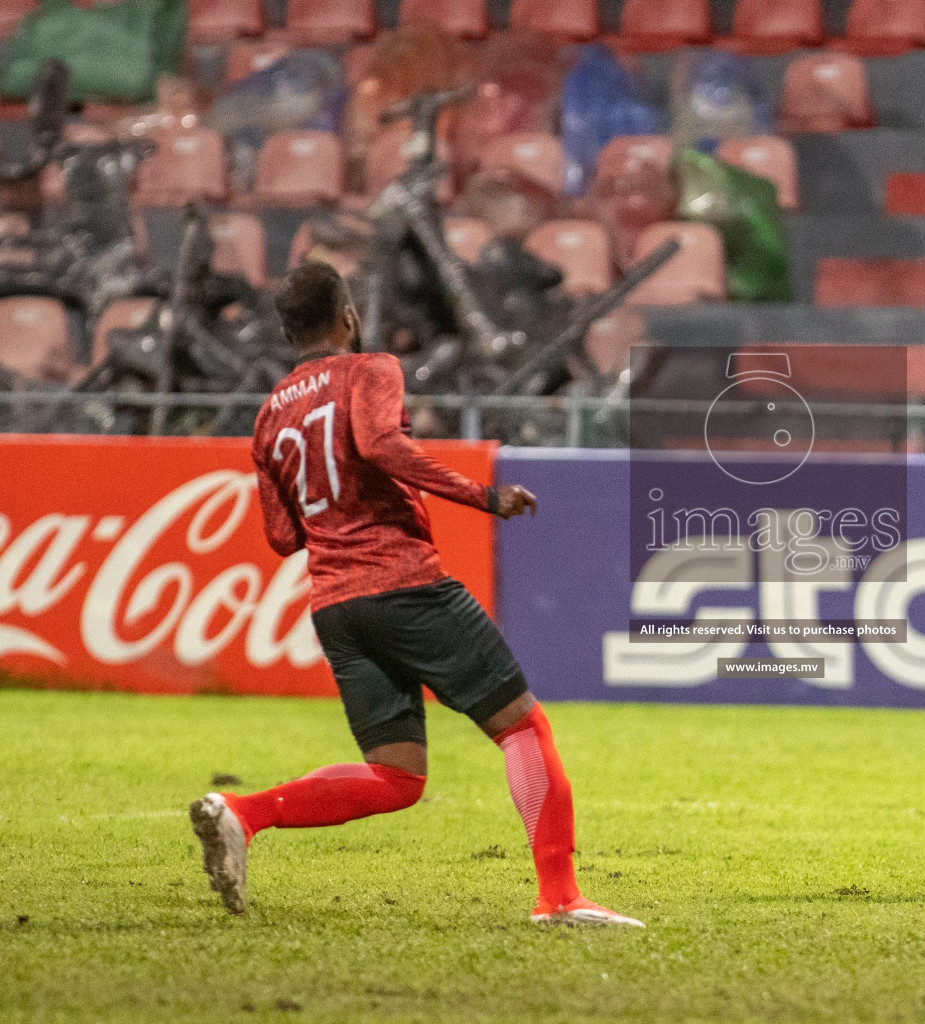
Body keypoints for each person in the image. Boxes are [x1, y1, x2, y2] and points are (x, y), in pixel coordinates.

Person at [189, 261, 641, 927]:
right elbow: (379, 444)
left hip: (337, 607)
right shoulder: (369, 370)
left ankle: (242, 815)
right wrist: (482, 495)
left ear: (287, 332)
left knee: (397, 778)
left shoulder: (268, 416)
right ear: (347, 317)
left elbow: (283, 535)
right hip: (404, 584)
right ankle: (561, 897)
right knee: (521, 726)